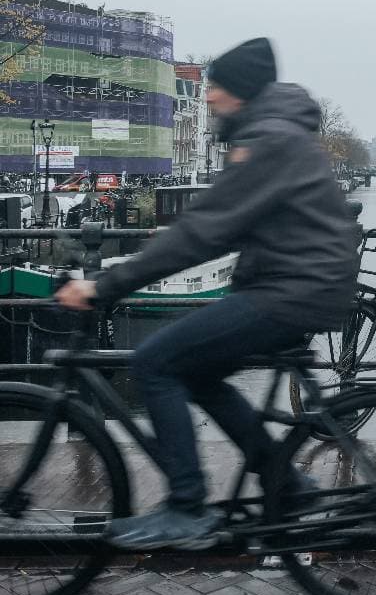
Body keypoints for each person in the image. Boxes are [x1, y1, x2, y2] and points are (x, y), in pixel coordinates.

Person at [56, 38, 360, 550]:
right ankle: (284, 480)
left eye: (215, 86)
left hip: (293, 290)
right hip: (295, 285)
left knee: (155, 362)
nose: (210, 97)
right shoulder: (270, 134)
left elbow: (203, 231)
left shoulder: (269, 141)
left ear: (239, 92)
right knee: (198, 372)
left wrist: (105, 284)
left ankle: (187, 505)